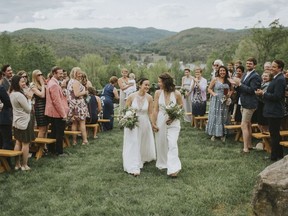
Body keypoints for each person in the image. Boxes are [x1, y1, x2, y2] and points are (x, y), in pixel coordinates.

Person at [123, 78, 156, 176]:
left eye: (148, 85)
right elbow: (126, 110)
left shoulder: (149, 98)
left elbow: (150, 112)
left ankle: (141, 157)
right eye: (145, 84)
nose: (147, 87)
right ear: (139, 85)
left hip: (144, 122)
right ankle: (133, 164)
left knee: (142, 141)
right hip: (133, 123)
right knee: (133, 142)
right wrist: (128, 119)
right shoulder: (131, 97)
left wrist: (153, 123)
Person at [152, 72, 182, 177]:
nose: (158, 83)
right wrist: (153, 123)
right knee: (161, 143)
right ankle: (163, 163)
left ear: (166, 82)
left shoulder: (177, 94)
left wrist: (173, 117)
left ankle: (174, 168)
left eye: (160, 81)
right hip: (160, 121)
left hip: (174, 122)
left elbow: (180, 107)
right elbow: (155, 110)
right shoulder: (157, 93)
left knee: (172, 143)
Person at [255, 60, 286, 161]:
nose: (271, 68)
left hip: (275, 111)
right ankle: (279, 154)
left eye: (274, 67)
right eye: (271, 66)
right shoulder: (276, 78)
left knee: (274, 134)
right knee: (275, 133)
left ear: (280, 68)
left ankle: (273, 157)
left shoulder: (280, 79)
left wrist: (263, 94)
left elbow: (277, 96)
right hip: (271, 109)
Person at [231, 57, 261, 153]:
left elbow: (252, 90)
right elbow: (242, 89)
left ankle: (245, 148)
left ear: (254, 65)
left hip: (250, 103)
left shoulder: (255, 76)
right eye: (247, 63)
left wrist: (239, 84)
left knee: (243, 125)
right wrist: (236, 85)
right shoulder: (245, 74)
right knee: (248, 125)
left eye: (250, 64)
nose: (248, 65)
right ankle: (249, 145)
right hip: (243, 102)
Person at [10, 75, 35, 171]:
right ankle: (24, 165)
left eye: (24, 81)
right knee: (25, 143)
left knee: (18, 142)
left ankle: (17, 164)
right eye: (22, 82)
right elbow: (28, 110)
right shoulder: (19, 95)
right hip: (25, 121)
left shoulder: (12, 93)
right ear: (17, 83)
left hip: (17, 121)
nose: (24, 83)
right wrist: (29, 98)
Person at [45, 66, 69, 156]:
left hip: (54, 112)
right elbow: (57, 101)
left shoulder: (53, 82)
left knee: (54, 132)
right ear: (54, 73)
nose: (62, 75)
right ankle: (59, 151)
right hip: (57, 113)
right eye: (60, 73)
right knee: (59, 133)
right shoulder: (54, 84)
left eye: (62, 73)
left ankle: (52, 150)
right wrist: (63, 114)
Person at [206, 66, 232, 142]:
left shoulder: (228, 80)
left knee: (223, 116)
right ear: (218, 71)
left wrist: (228, 96)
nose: (222, 72)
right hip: (216, 100)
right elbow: (209, 88)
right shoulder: (215, 79)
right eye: (221, 71)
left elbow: (231, 90)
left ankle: (223, 134)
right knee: (215, 115)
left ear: (226, 72)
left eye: (224, 71)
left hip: (224, 101)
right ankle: (214, 134)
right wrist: (214, 94)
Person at [67, 67, 89, 145]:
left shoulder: (70, 81)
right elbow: (76, 94)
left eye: (80, 73)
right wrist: (85, 92)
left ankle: (74, 141)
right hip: (78, 105)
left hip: (73, 104)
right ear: (74, 74)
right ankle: (85, 140)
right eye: (78, 73)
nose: (80, 75)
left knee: (74, 123)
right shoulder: (75, 82)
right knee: (82, 122)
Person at [30, 70, 49, 139]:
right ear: (34, 76)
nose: (40, 76)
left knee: (47, 128)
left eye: (41, 74)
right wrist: (43, 85)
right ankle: (39, 146)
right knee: (42, 129)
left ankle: (44, 146)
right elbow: (42, 95)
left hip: (46, 106)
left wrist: (45, 84)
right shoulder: (33, 85)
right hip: (39, 108)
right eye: (38, 75)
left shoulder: (42, 84)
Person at [0, 72, 13, 154]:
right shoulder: (1, 88)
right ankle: (6, 162)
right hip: (4, 117)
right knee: (6, 140)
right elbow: (8, 103)